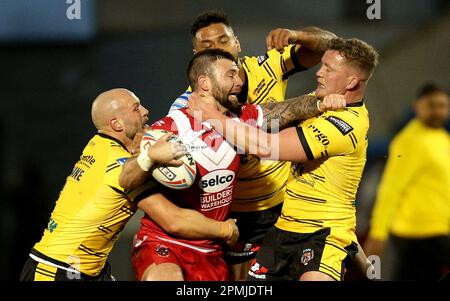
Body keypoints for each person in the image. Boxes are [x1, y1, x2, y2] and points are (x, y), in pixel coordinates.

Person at [130, 48, 346, 281]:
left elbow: (287, 110)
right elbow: (126, 177)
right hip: (165, 242)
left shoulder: (242, 119)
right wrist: (146, 157)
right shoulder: (171, 127)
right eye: (231, 75)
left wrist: (321, 102)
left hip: (213, 248)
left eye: (239, 75)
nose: (240, 82)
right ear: (204, 83)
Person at [188, 37, 379, 281]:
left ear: (351, 81)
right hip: (284, 229)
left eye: (329, 69)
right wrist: (318, 103)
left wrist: (211, 115)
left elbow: (266, 146)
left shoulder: (344, 125)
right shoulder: (327, 100)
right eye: (321, 65)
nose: (318, 73)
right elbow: (282, 113)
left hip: (323, 234)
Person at [170, 10, 337, 279]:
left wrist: (297, 35)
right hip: (233, 214)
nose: (217, 50)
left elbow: (331, 47)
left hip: (286, 202)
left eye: (223, 41)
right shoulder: (189, 107)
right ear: (195, 55)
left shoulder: (268, 67)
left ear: (237, 43)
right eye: (206, 46)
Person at [19, 88, 239, 281]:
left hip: (88, 269)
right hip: (57, 270)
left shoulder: (99, 145)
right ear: (116, 124)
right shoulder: (122, 167)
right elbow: (174, 220)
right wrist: (225, 228)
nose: (145, 111)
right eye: (136, 108)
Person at [364, 84, 450, 280]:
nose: (437, 111)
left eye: (443, 106)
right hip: (416, 231)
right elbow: (391, 188)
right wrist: (378, 233)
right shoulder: (409, 141)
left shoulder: (443, 138)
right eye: (432, 105)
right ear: (417, 106)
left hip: (438, 228)